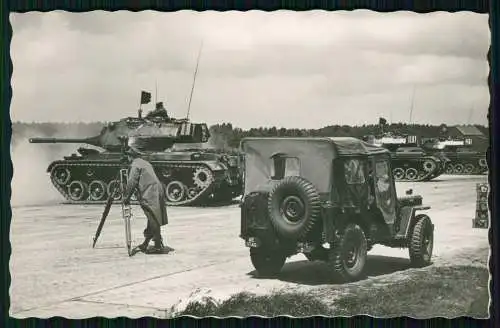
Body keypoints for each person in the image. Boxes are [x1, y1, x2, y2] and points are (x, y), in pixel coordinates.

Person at [121, 145, 174, 254]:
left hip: (149, 193)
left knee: (152, 218)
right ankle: (146, 244)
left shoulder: (135, 164)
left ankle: (158, 245)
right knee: (153, 218)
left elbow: (132, 182)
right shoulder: (145, 163)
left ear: (130, 156)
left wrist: (126, 197)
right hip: (157, 190)